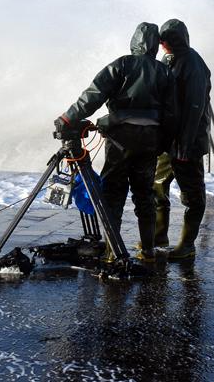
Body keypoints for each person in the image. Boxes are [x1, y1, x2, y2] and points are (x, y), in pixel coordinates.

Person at [55, 22, 175, 262]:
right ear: (154, 46)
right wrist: (164, 143)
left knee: (114, 194)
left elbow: (93, 95)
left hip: (120, 140)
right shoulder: (165, 73)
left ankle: (113, 253)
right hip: (150, 141)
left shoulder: (122, 64)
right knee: (145, 195)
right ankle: (149, 250)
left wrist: (68, 118)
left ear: (134, 42)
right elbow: (172, 114)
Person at [152, 18, 212, 260]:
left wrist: (185, 144)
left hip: (189, 141)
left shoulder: (193, 64)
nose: (162, 45)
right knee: (157, 186)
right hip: (170, 140)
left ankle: (187, 245)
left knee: (192, 195)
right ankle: (157, 240)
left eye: (166, 41)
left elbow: (195, 107)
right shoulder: (171, 59)